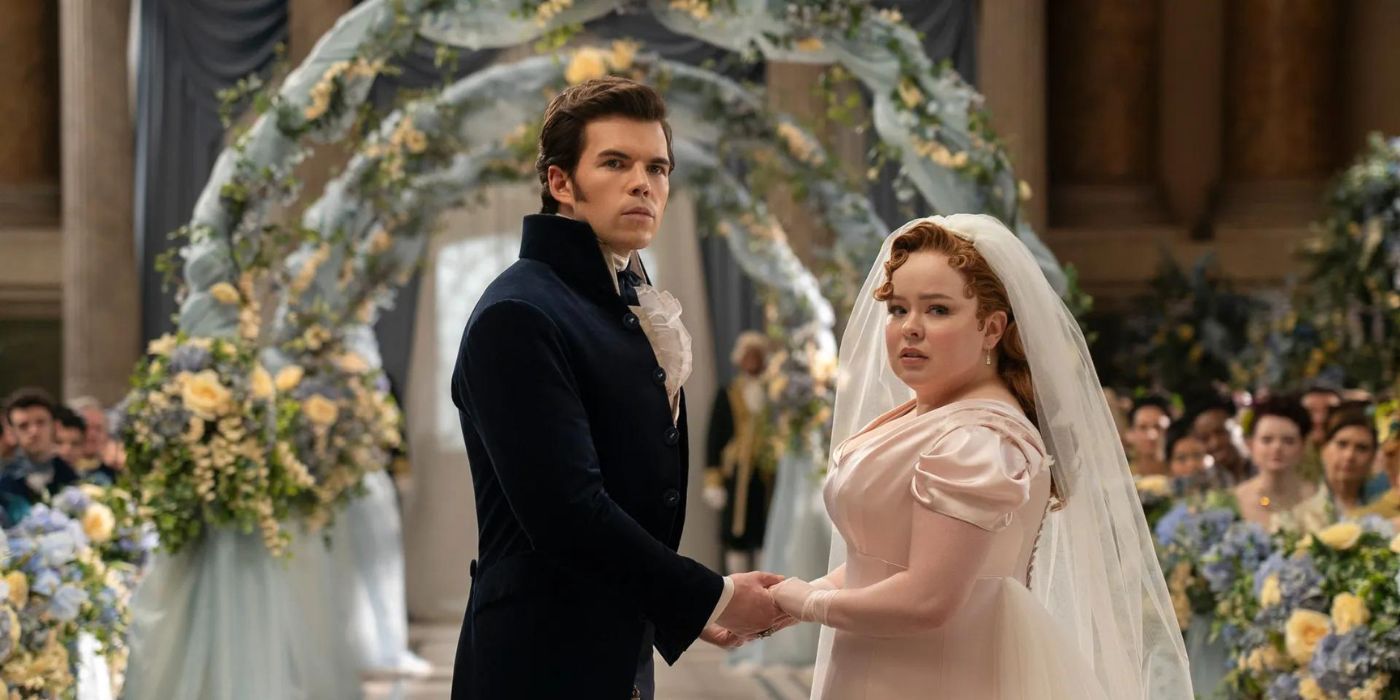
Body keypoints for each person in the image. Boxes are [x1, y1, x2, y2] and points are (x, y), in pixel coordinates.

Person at [449, 77, 786, 700]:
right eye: (615, 162)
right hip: (538, 663)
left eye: (657, 167)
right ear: (560, 183)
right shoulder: (519, 313)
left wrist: (667, 606)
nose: (643, 183)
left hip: (610, 646)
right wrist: (709, 597)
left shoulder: (619, 299)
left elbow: (632, 485)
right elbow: (568, 514)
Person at [768, 215, 1191, 698]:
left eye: (938, 310)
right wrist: (788, 599)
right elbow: (885, 557)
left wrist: (806, 602)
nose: (910, 328)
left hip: (935, 676)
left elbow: (927, 599)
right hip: (880, 664)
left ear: (991, 328)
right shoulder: (933, 415)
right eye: (898, 309)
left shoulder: (978, 441)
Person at [704, 331, 779, 575]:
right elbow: (714, 440)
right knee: (735, 535)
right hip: (735, 475)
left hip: (766, 475)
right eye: (748, 356)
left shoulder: (774, 394)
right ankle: (736, 585)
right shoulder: (727, 394)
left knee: (764, 534)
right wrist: (713, 481)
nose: (752, 361)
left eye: (756, 356)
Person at [1276, 407, 1380, 533]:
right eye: (1342, 444)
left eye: (1361, 448)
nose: (1349, 456)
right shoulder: (1295, 510)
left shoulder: (1384, 507)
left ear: (1373, 457)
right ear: (1323, 449)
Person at [1231, 397, 1314, 529]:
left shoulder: (1318, 498)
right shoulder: (1233, 501)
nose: (1277, 448)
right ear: (1251, 445)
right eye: (1267, 440)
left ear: (1303, 446)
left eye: (1288, 441)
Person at [1, 387, 80, 525]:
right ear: (11, 433)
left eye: (40, 422)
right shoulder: (3, 486)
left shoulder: (74, 479)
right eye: (23, 426)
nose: (33, 431)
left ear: (56, 426)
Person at [1127, 395, 1172, 477]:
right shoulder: (1123, 476)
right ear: (1131, 433)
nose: (1152, 435)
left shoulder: (1179, 474)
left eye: (1158, 427)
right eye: (1143, 427)